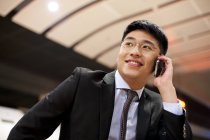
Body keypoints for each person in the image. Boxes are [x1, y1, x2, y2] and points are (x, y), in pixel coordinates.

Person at [7, 20, 192, 140]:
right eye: (128, 43)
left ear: (159, 62)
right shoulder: (83, 83)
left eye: (146, 47)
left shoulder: (160, 106)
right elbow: (23, 133)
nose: (135, 51)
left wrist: (168, 90)